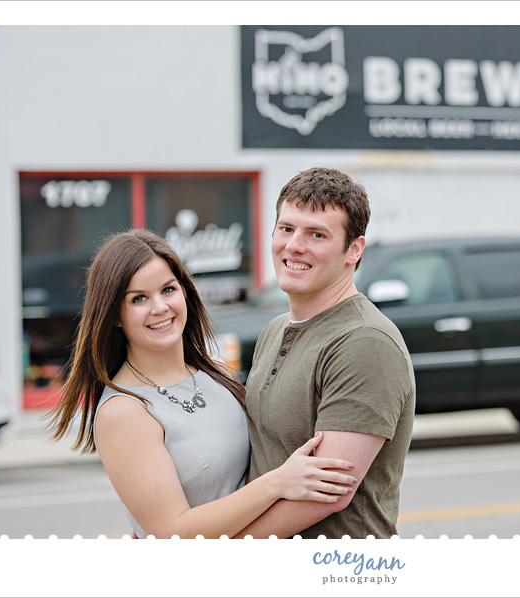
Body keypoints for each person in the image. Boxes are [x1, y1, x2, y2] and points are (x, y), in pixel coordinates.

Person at [47, 229, 358, 539]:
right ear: (114, 314)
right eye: (139, 298)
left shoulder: (215, 371)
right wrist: (276, 483)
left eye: (168, 289)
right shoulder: (124, 412)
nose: (160, 307)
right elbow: (172, 534)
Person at [235, 167, 416, 539]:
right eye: (286, 228)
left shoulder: (365, 341)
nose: (294, 246)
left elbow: (327, 494)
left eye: (316, 234)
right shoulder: (274, 331)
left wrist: (220, 545)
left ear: (354, 250)